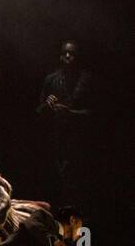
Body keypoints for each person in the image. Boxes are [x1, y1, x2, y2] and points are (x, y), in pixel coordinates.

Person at [35, 40, 94, 198]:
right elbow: (37, 112)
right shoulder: (51, 80)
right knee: (58, 181)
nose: (68, 56)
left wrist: (71, 113)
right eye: (65, 53)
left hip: (80, 140)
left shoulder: (86, 80)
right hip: (55, 139)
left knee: (77, 181)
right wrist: (46, 105)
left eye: (72, 53)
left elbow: (95, 113)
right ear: (60, 56)